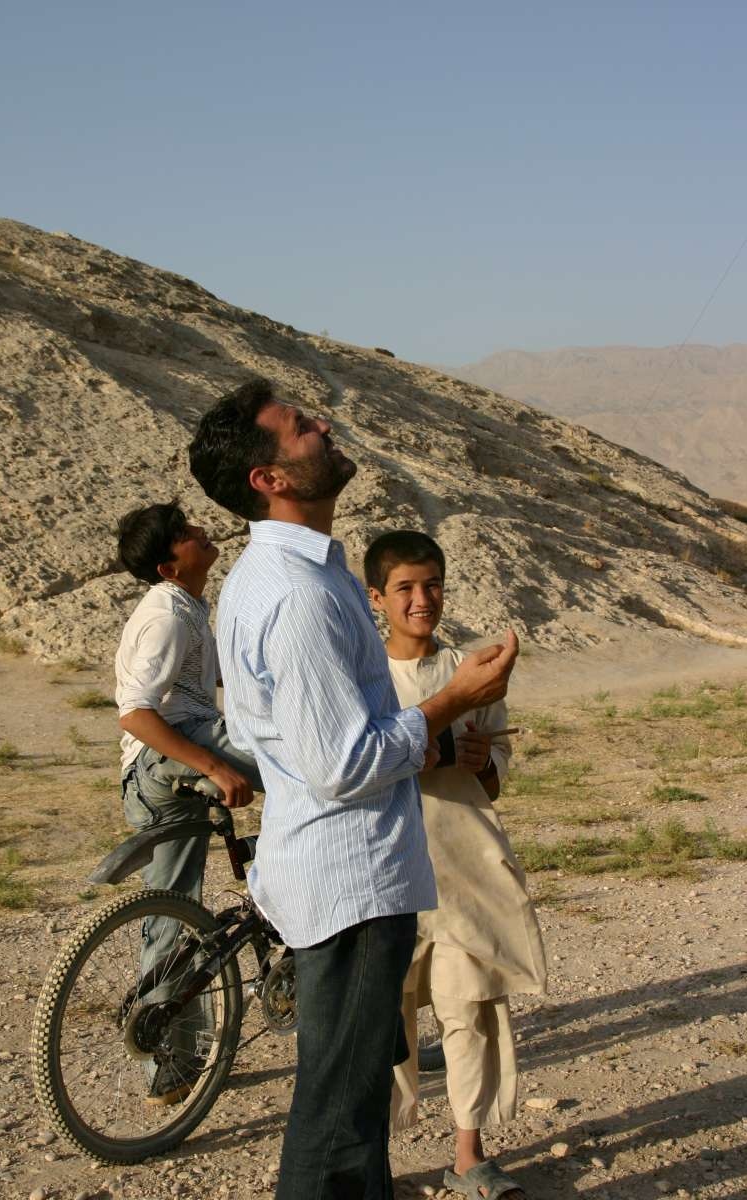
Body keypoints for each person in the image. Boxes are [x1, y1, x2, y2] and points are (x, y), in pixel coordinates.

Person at [188, 376, 520, 1200]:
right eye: (300, 428)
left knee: (355, 1100)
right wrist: (452, 704)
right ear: (268, 478)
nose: (323, 426)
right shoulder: (298, 596)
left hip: (344, 876)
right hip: (352, 883)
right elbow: (343, 764)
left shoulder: (295, 576)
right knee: (339, 1118)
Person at [364, 530, 547, 1200]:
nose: (422, 600)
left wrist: (481, 765)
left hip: (463, 868)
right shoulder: (363, 677)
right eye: (406, 588)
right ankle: (372, 1155)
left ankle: (469, 1154)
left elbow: (494, 778)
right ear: (376, 596)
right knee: (385, 1021)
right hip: (385, 874)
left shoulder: (472, 674)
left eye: (432, 584)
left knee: (468, 1012)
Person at [114, 500, 261, 1104]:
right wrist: (213, 764)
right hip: (168, 758)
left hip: (180, 750)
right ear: (169, 564)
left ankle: (184, 1051)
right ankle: (166, 1062)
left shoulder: (188, 608)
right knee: (171, 917)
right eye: (183, 534)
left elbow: (232, 678)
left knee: (180, 909)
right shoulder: (166, 617)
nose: (199, 531)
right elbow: (135, 712)